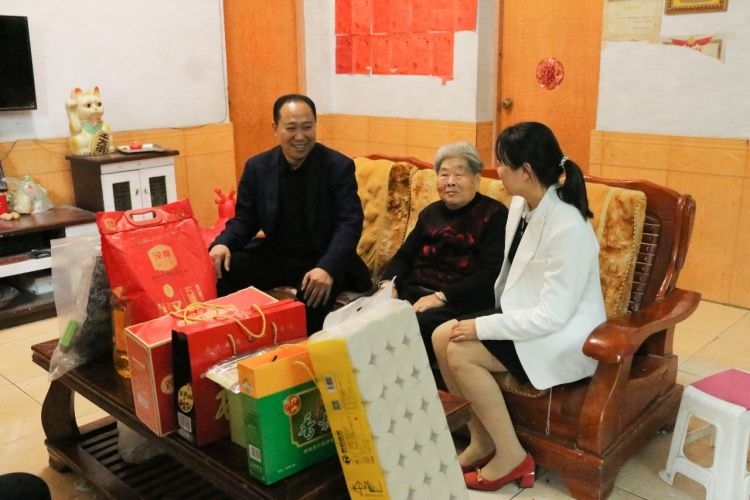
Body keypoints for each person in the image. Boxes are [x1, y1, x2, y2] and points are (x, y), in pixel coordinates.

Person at [432, 122, 606, 491]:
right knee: (440, 335)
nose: (496, 171)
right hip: (524, 316)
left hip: (560, 334)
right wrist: (482, 318)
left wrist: (481, 327)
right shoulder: (521, 205)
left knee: (461, 351)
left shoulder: (568, 226)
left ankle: (512, 456)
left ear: (525, 170)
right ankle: (481, 438)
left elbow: (554, 315)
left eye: (502, 163)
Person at [209, 94, 371, 334]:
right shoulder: (258, 168)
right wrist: (223, 243)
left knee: (312, 296)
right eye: (291, 128)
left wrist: (327, 268)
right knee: (227, 267)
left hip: (323, 258)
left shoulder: (337, 166)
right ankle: (233, 341)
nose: (300, 136)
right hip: (279, 255)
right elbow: (245, 220)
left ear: (315, 125)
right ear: (275, 128)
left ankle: (300, 354)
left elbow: (350, 223)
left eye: (307, 127)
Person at [378, 141, 507, 362]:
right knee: (362, 316)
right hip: (414, 293)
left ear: (477, 179)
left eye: (459, 174)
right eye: (444, 174)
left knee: (408, 329)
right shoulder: (431, 213)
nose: (450, 182)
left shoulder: (494, 215)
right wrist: (388, 285)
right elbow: (404, 256)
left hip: (457, 302)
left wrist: (441, 297)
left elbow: (490, 275)